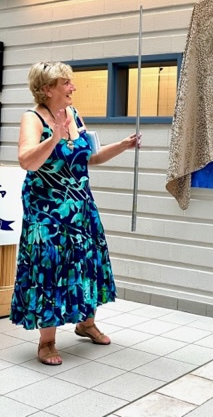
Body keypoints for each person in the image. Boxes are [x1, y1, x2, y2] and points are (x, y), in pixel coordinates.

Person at [10, 61, 140, 365]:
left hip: (80, 207)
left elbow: (90, 157)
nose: (73, 87)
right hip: (46, 211)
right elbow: (27, 161)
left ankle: (86, 323)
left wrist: (123, 145)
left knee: (87, 261)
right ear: (47, 89)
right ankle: (47, 341)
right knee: (50, 266)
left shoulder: (74, 114)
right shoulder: (33, 118)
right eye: (66, 83)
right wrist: (53, 138)